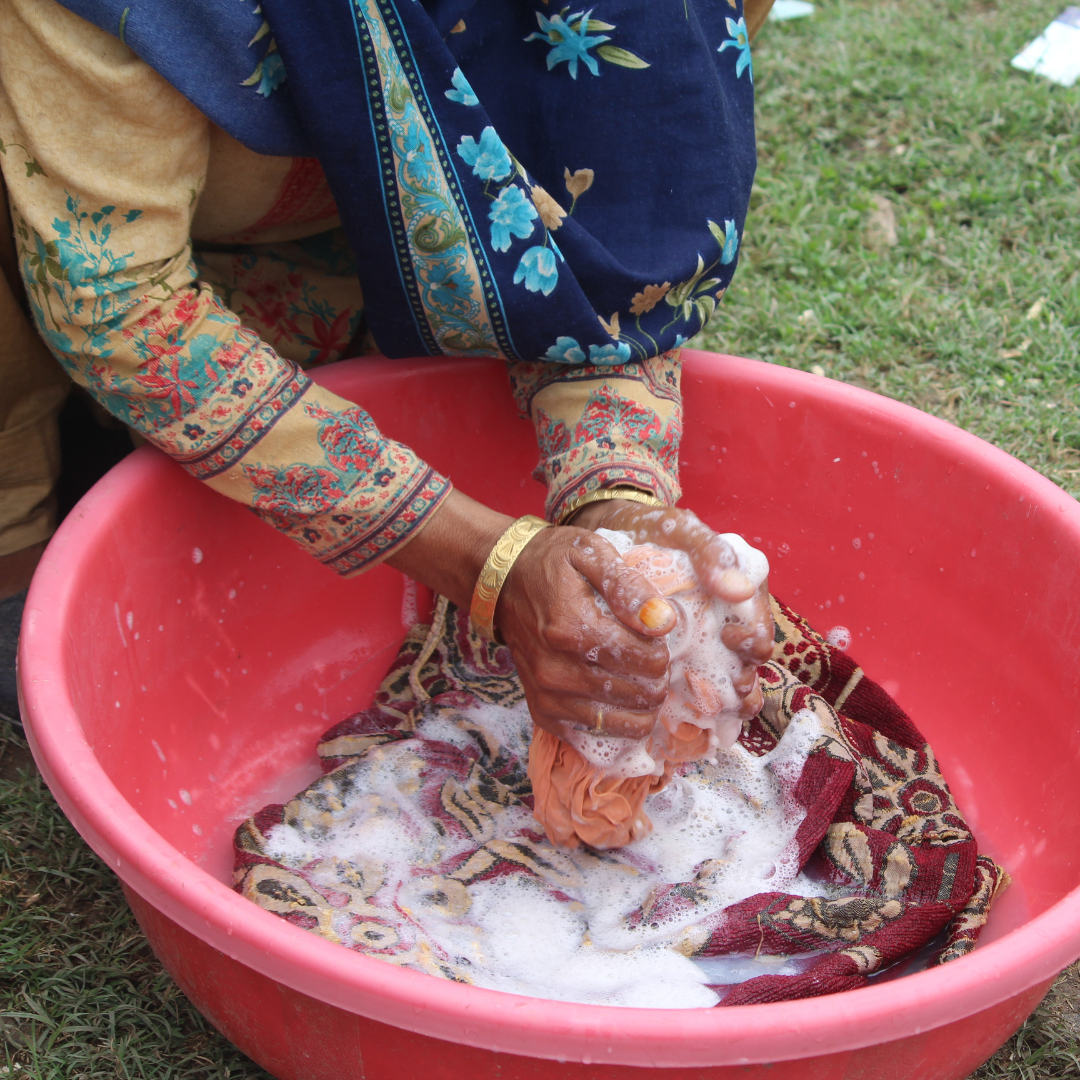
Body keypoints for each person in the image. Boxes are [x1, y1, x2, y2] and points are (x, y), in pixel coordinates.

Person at [0, 0, 775, 743]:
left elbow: (608, 227)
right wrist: (490, 566)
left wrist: (620, 503)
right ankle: (14, 558)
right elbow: (122, 307)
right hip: (61, 213)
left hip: (340, 239)